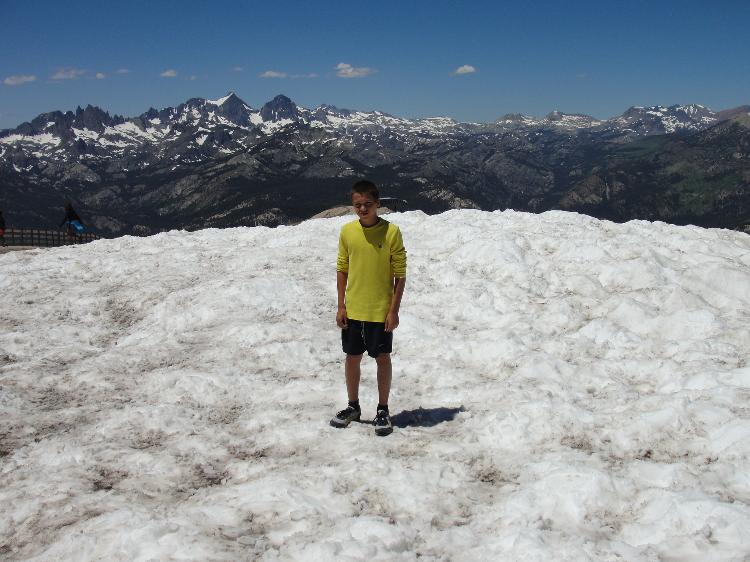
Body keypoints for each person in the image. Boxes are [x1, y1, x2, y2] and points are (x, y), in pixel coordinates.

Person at [330, 180, 407, 436]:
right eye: (358, 205)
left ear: (378, 204)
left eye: (368, 204)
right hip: (354, 309)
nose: (363, 209)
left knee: (382, 358)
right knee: (352, 358)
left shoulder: (391, 232)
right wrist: (341, 305)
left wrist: (393, 310)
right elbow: (342, 268)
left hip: (379, 310)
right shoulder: (347, 232)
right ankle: (353, 406)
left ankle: (382, 409)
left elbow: (400, 274)